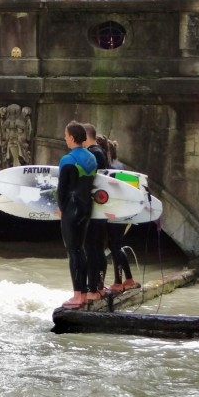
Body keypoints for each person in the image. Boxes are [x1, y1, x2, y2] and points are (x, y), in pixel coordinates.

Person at [57, 120, 98, 309]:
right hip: (86, 208)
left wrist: (61, 209)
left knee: (73, 252)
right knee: (80, 250)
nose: (65, 139)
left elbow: (62, 190)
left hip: (72, 208)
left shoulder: (68, 160)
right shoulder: (92, 158)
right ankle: (83, 293)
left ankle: (77, 295)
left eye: (66, 135)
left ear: (72, 137)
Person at [96, 134, 141, 295]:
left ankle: (118, 282)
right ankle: (128, 280)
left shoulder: (111, 168)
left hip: (116, 212)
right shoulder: (117, 165)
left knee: (114, 245)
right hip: (119, 211)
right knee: (115, 245)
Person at [82, 123, 110, 300]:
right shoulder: (100, 152)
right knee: (98, 247)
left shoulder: (93, 153)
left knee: (90, 247)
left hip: (94, 207)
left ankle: (92, 288)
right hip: (101, 207)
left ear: (85, 135)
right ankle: (99, 286)